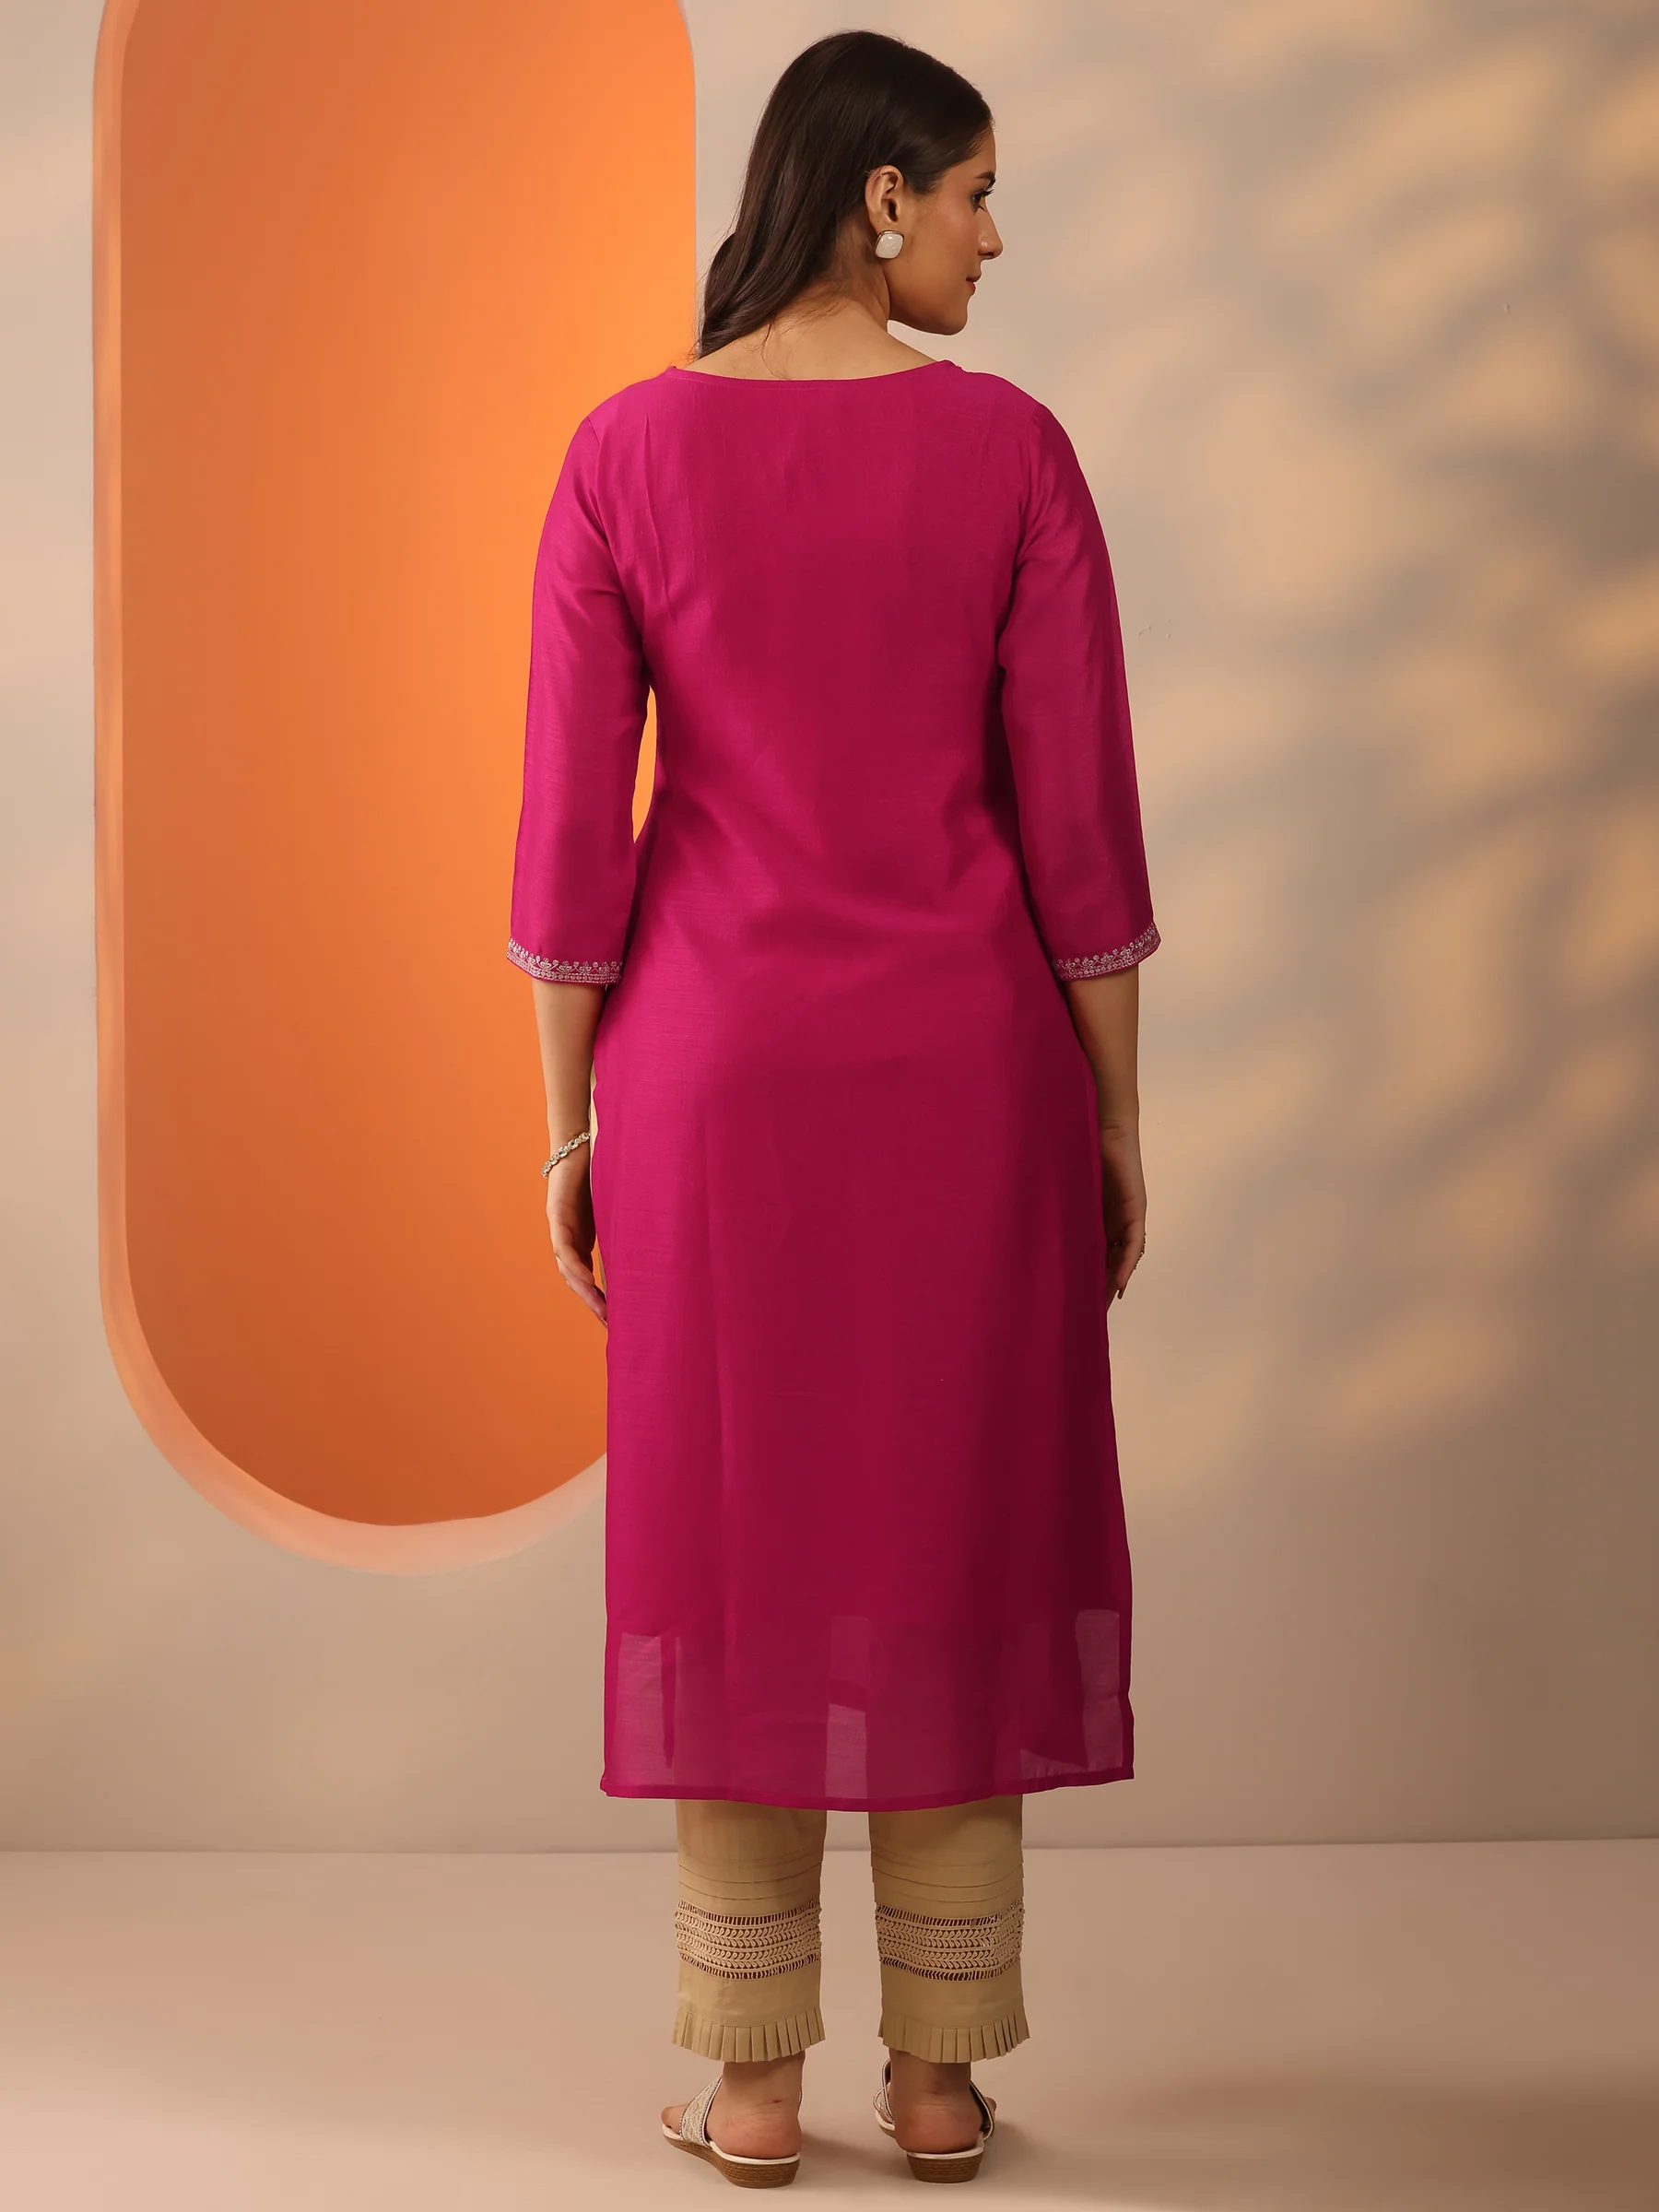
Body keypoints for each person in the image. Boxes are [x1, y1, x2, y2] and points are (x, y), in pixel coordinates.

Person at [507, 29, 1158, 2189]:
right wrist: (1114, 1122)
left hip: (713, 1087)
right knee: (953, 1540)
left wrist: (570, 1130)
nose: (995, 236)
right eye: (976, 193)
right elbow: (1083, 838)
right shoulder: (1013, 454)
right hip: (968, 1076)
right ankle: (944, 2083)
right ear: (882, 195)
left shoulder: (623, 453)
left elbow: (569, 859)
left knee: (739, 1551)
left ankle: (755, 2085)